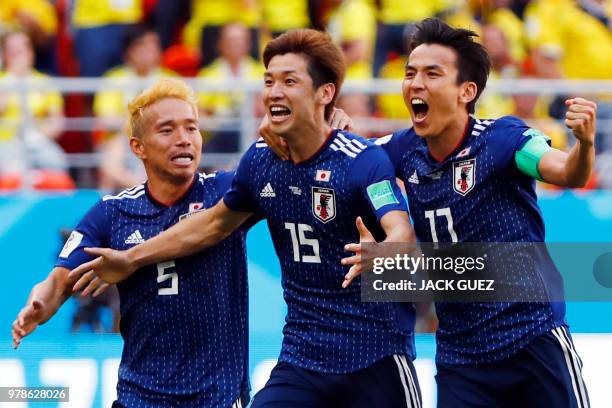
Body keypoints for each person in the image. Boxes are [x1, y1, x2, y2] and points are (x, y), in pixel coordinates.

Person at [69, 29, 422, 408]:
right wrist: (131, 258)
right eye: (269, 81)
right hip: (303, 359)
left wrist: (387, 253)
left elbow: (401, 232)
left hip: (376, 356)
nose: (274, 92)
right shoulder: (262, 161)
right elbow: (213, 223)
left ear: (325, 93)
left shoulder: (364, 160)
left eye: (289, 81)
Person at [345, 18, 595, 407]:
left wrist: (583, 143)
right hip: (463, 358)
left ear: (467, 90)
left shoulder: (505, 139)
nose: (416, 83)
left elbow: (566, 172)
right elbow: (350, 162)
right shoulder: (399, 149)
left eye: (432, 73)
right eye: (410, 73)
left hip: (533, 340)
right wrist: (335, 135)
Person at [12, 79, 251, 408]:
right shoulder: (113, 212)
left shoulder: (225, 192)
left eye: (191, 128)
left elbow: (291, 168)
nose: (183, 139)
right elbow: (59, 280)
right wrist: (39, 306)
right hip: (140, 397)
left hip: (218, 397)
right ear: (138, 147)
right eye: (167, 130)